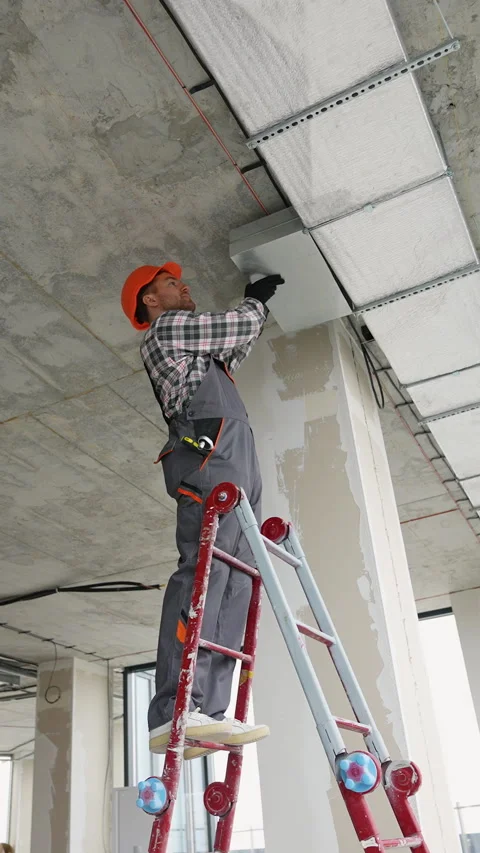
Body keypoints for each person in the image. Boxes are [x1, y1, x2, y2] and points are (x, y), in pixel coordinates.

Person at [121, 263, 283, 759]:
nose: (183, 285)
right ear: (150, 301)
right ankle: (174, 709)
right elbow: (236, 326)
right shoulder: (167, 329)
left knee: (238, 579)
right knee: (204, 574)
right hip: (209, 458)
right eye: (170, 283)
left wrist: (256, 310)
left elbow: (234, 344)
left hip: (235, 455)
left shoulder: (196, 351)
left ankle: (207, 711)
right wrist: (254, 302)